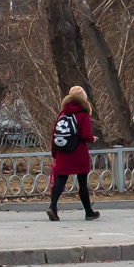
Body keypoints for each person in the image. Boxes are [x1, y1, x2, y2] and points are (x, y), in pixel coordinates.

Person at [48, 85, 100, 221]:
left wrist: (54, 154)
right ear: (84, 99)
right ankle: (88, 212)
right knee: (82, 183)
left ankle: (52, 207)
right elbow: (86, 135)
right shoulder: (83, 115)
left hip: (63, 152)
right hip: (78, 153)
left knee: (60, 181)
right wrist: (92, 139)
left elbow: (55, 134)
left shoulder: (62, 114)